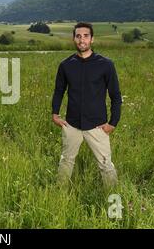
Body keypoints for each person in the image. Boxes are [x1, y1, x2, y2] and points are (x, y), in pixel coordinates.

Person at [51, 22, 122, 188]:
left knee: (106, 165)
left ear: (92, 39)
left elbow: (116, 96)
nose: (81, 39)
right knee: (66, 161)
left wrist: (113, 123)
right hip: (72, 125)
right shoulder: (65, 65)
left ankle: (113, 196)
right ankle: (59, 194)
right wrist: (55, 114)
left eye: (85, 36)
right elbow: (59, 91)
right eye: (78, 36)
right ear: (74, 39)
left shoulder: (106, 64)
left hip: (97, 126)